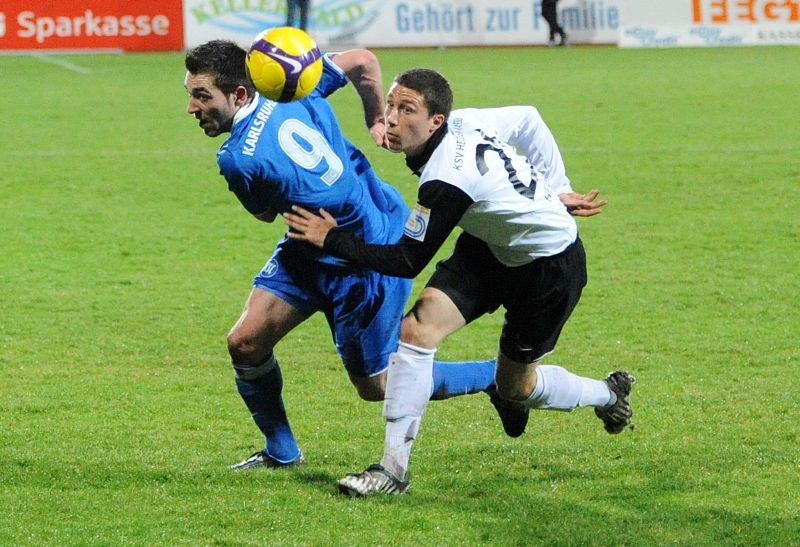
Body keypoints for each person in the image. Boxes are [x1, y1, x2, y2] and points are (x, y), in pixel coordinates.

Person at [284, 68, 634, 496]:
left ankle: (607, 394)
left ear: (436, 122)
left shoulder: (446, 180)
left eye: (406, 109)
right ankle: (393, 470)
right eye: (391, 105)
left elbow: (406, 259)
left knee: (516, 387)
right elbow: (528, 118)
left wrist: (331, 238)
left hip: (548, 267)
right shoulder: (463, 121)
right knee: (416, 330)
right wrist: (555, 187)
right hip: (488, 246)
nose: (391, 118)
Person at [183, 42, 504, 470]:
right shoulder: (295, 88)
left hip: (364, 253)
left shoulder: (238, 159)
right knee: (245, 342)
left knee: (377, 384)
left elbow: (263, 214)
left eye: (202, 96)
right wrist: (375, 117)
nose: (191, 107)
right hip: (310, 242)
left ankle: (496, 378)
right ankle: (282, 451)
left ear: (240, 94)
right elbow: (365, 62)